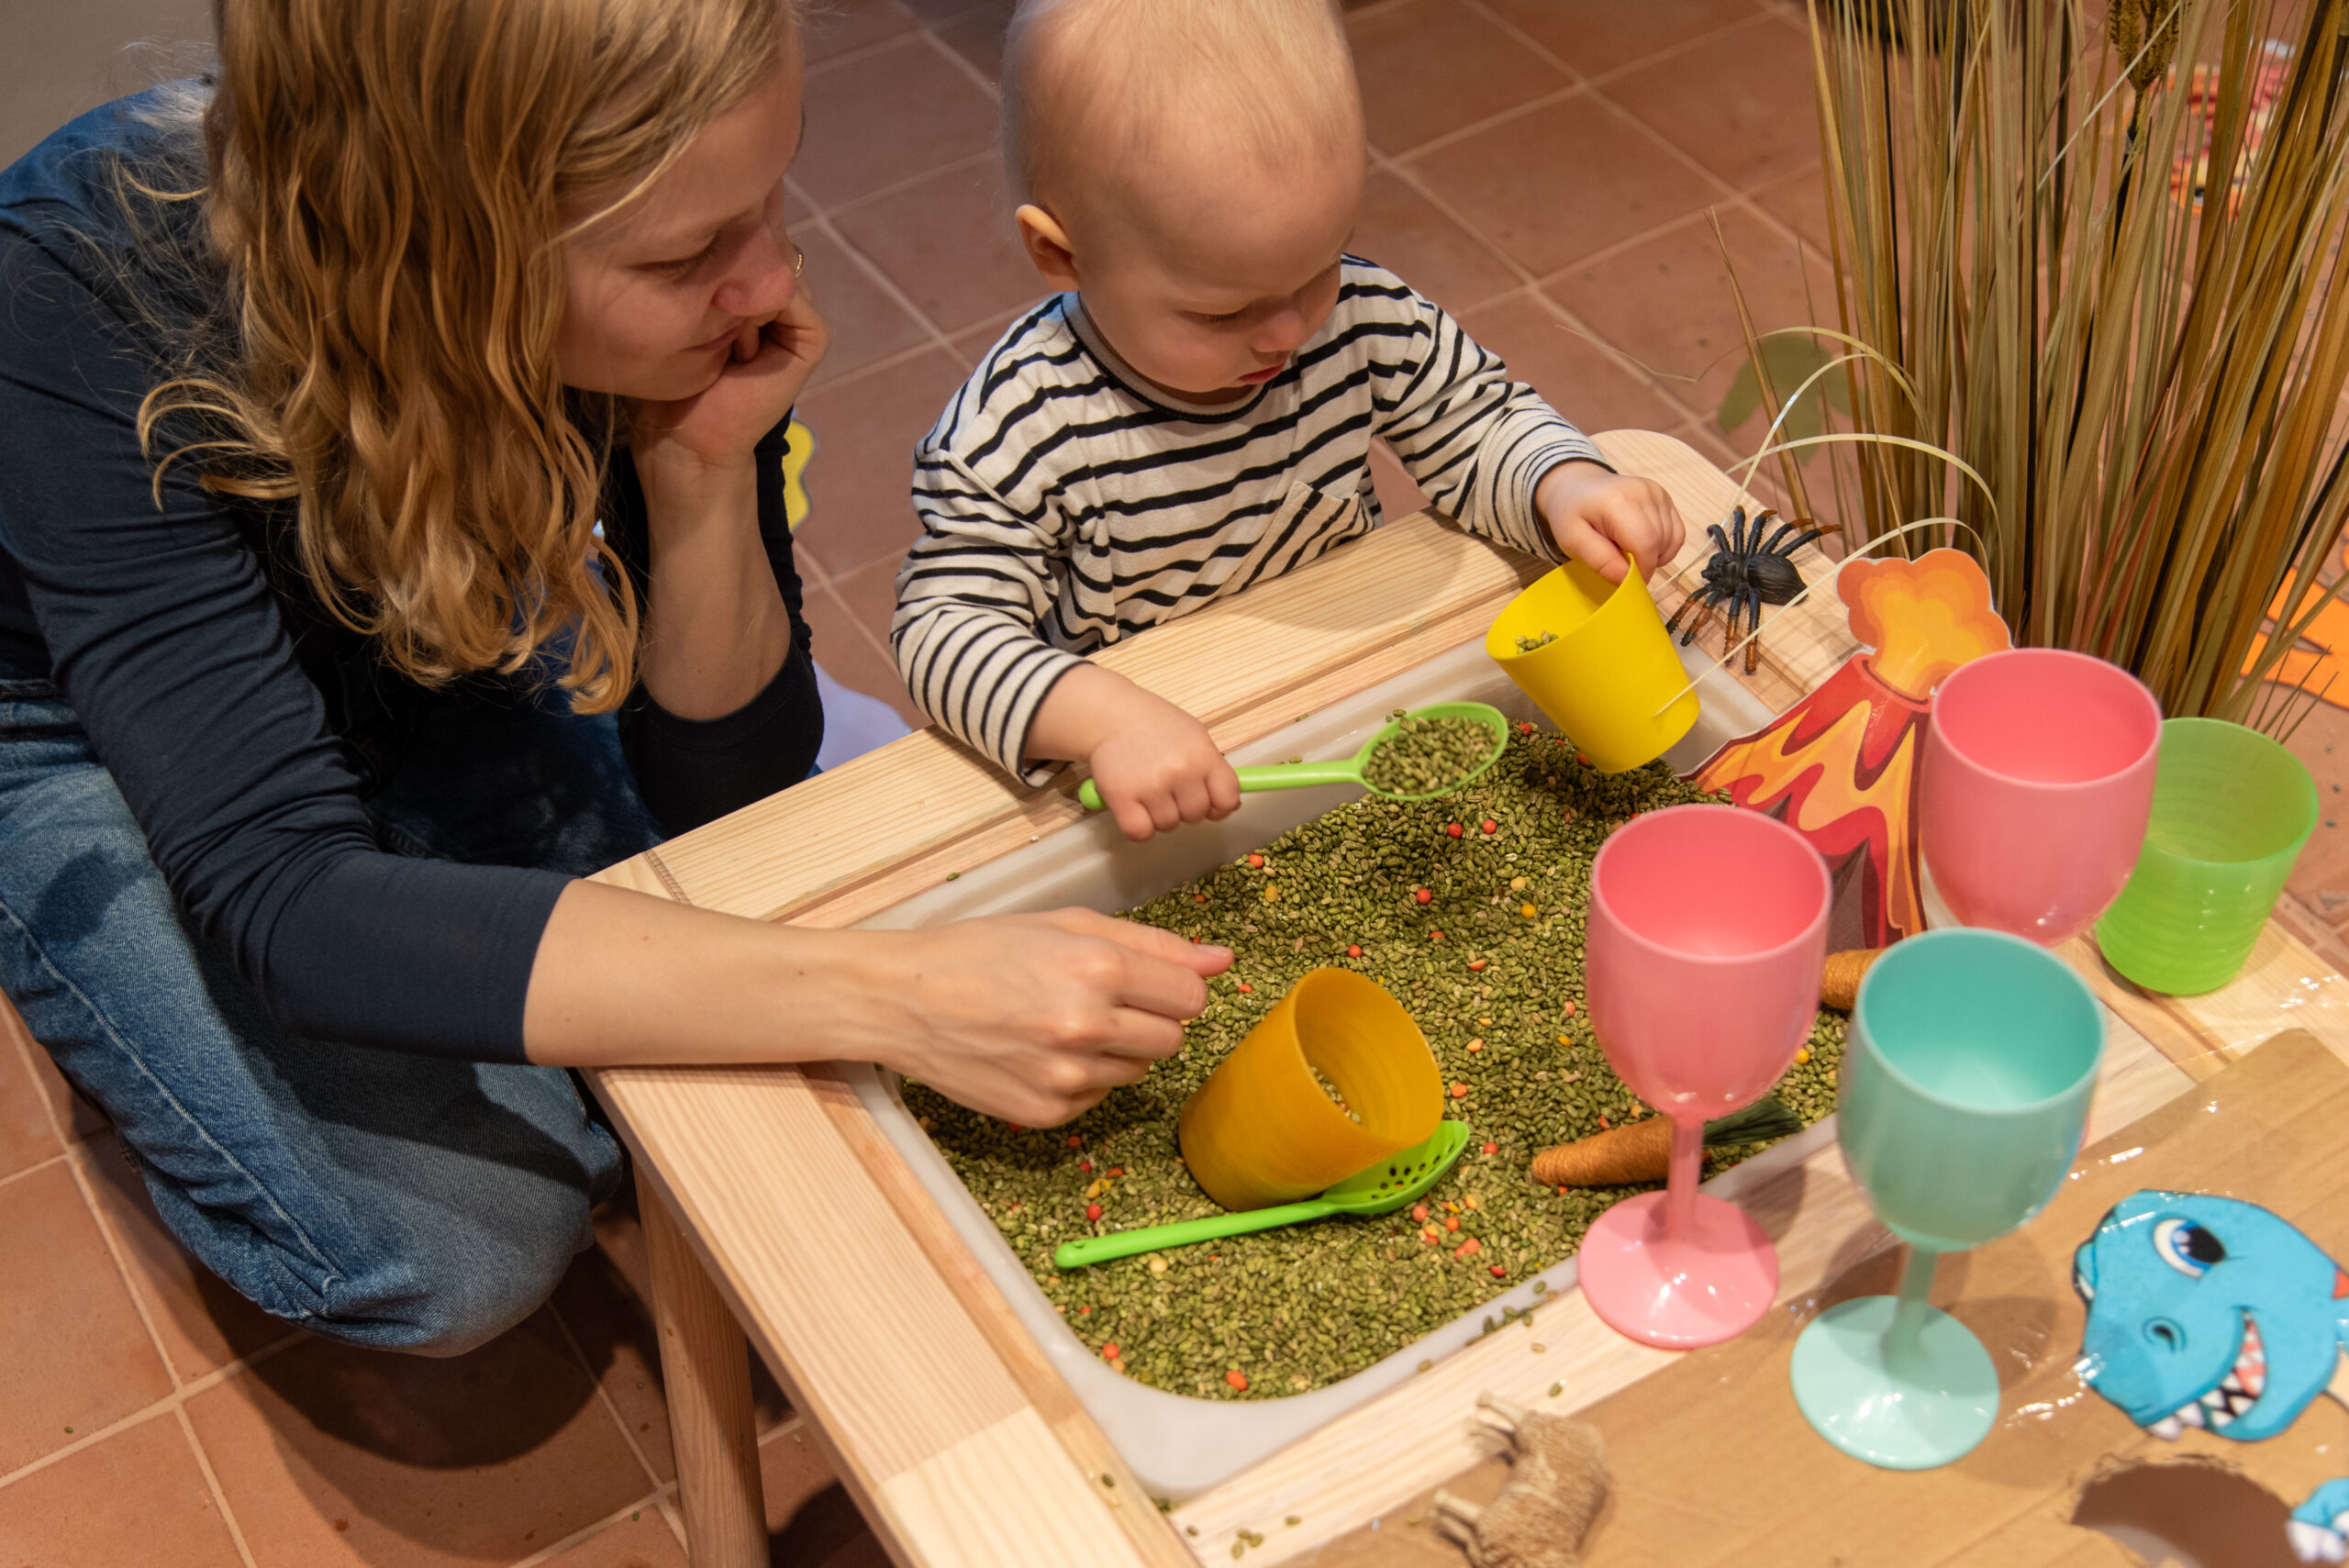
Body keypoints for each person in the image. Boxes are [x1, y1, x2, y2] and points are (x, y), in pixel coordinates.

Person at [0, 0, 1226, 1358]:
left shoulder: (628, 306)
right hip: (76, 722)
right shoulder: (64, 292)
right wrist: (895, 995)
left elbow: (732, 795)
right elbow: (286, 898)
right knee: (472, 1249)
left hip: (403, 617)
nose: (772, 280)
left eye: (773, 193)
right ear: (441, 251)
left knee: (738, 898)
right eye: (689, 252)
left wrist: (700, 465)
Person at [892, 0, 1690, 843]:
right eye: (1221, 311)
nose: (1287, 331)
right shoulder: (1017, 430)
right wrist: (1102, 720)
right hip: (1155, 772)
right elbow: (942, 631)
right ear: (1062, 253)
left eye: (1317, 267)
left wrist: (1564, 484)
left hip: (1343, 697)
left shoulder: (1359, 315)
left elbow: (1477, 422)